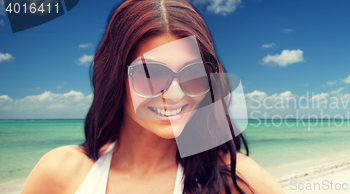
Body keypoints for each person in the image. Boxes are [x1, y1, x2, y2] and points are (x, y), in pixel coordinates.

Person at [20, 0, 283, 193]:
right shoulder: (60, 173)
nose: (176, 94)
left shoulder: (234, 179)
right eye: (151, 74)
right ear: (115, 77)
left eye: (194, 74)